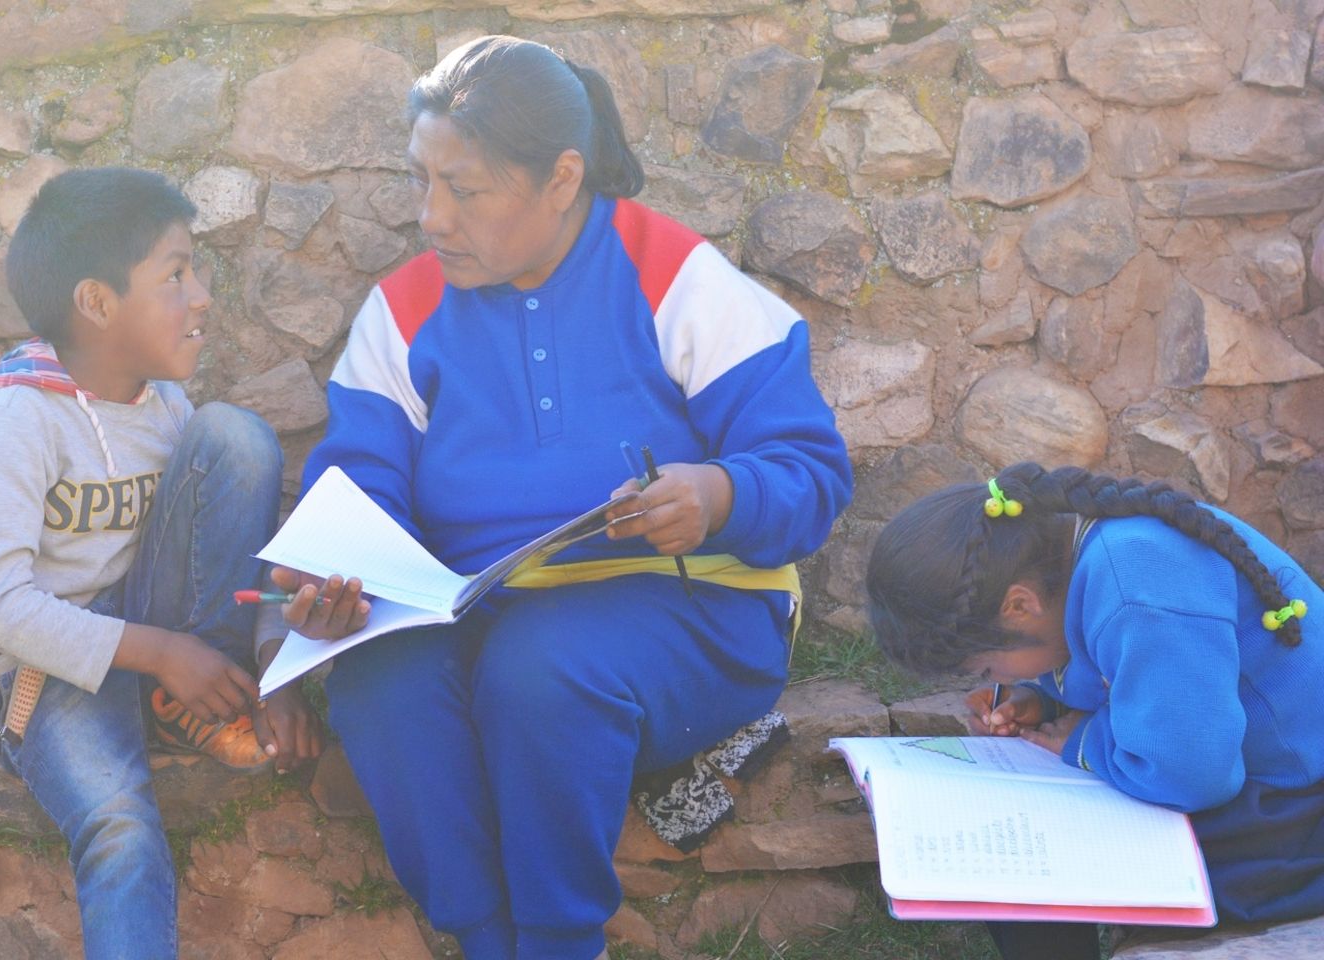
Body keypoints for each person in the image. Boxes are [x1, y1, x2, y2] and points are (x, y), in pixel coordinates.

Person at [267, 35, 852, 960]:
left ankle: (556, 940)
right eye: (423, 181)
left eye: (464, 189)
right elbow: (362, 477)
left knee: (544, 667)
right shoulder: (405, 309)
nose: (431, 217)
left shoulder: (672, 275)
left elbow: (811, 471)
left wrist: (718, 490)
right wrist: (343, 569)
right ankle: (487, 938)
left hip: (693, 606)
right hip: (473, 610)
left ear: (561, 177)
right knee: (383, 687)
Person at [0, 167, 323, 960]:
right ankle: (171, 694)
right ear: (98, 303)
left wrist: (274, 661)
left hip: (152, 646)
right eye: (176, 275)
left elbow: (240, 555)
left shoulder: (163, 408)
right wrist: (162, 653)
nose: (202, 295)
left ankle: (188, 700)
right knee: (119, 828)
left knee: (238, 438)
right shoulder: (11, 420)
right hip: (42, 679)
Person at [865, 461, 1324, 959]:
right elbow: (1118, 669)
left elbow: (1194, 775)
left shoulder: (1139, 587)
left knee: (1035, 864)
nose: (997, 682)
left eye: (986, 668)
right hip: (1256, 781)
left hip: (1295, 813)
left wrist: (1082, 743)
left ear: (1019, 606)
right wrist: (1044, 701)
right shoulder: (1075, 558)